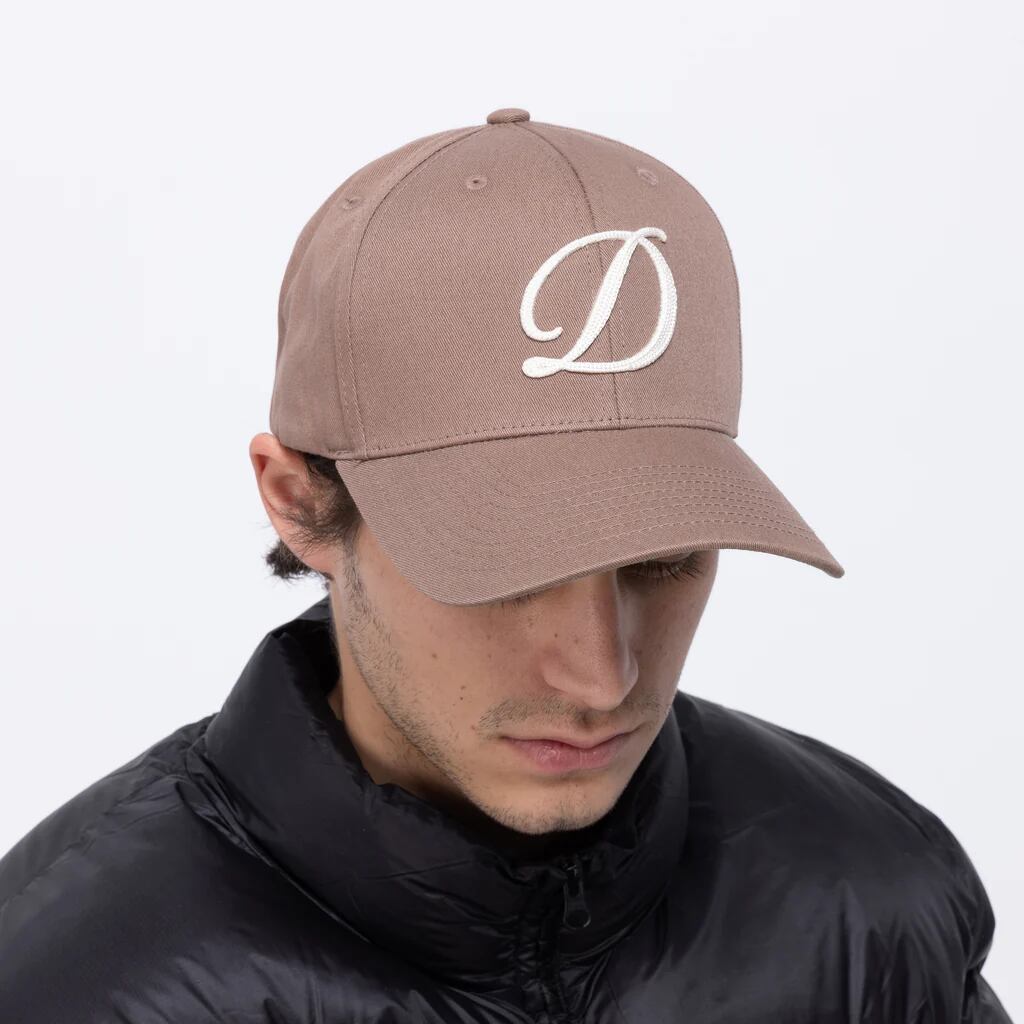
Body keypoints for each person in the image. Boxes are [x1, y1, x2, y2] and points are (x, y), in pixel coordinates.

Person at [0, 107, 1011, 1023]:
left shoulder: (875, 901)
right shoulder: (78, 983)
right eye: (508, 570)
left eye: (663, 560)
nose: (602, 677)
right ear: (299, 501)